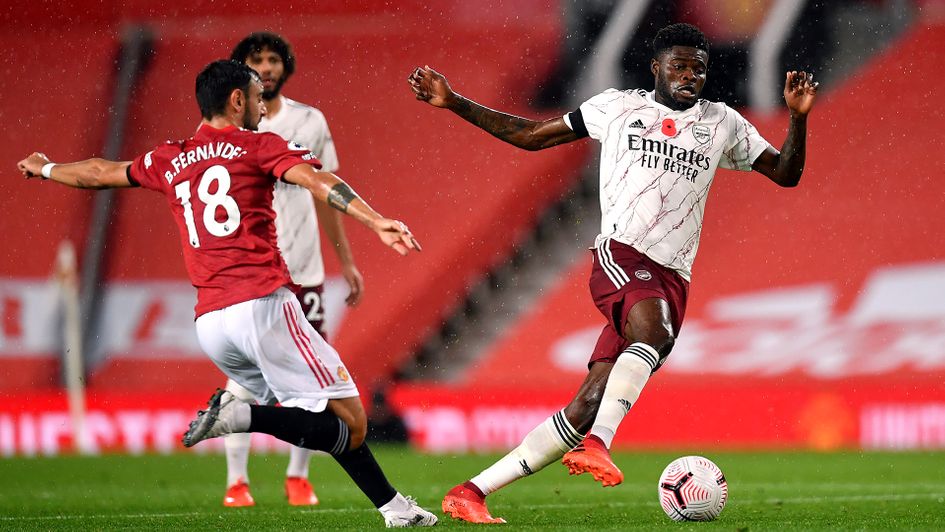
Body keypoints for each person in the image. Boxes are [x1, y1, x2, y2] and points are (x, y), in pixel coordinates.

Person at [408, 22, 817, 524]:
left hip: (673, 277)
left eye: (699, 69)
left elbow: (786, 173)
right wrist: (455, 102)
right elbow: (532, 136)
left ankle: (471, 491)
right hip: (622, 255)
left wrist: (798, 120)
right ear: (656, 68)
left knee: (588, 403)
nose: (690, 76)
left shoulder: (723, 123)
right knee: (653, 335)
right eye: (679, 65)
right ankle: (601, 443)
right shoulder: (618, 107)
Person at [18, 59, 437, 528]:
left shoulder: (168, 158)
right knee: (353, 422)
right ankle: (241, 418)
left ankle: (395, 510)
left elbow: (100, 172)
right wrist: (375, 219)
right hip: (263, 307)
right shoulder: (257, 146)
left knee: (325, 421)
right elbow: (319, 181)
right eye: (258, 97)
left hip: (211, 324)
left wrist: (47, 167)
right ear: (237, 100)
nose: (262, 106)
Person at [217, 31, 362, 509]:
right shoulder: (230, 131)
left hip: (304, 271)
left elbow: (326, 191)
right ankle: (236, 482)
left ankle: (297, 476)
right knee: (244, 376)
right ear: (239, 68)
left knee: (316, 382)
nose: (266, 67)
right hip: (252, 273)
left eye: (273, 59)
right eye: (255, 59)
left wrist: (346, 261)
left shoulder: (309, 120)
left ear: (286, 65)